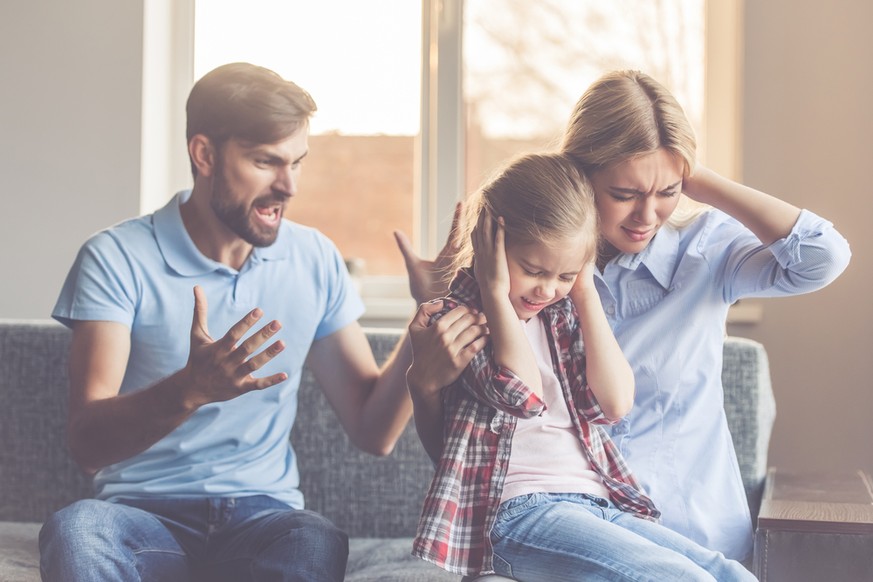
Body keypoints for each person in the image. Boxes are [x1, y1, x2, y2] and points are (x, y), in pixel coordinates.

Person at [38, 62, 484, 582]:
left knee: (312, 536)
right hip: (140, 515)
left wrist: (426, 315)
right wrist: (190, 388)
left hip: (263, 519)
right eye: (265, 162)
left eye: (296, 162)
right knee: (77, 529)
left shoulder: (314, 257)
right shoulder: (116, 257)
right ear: (204, 154)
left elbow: (372, 429)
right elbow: (87, 445)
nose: (288, 186)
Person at [399, 69, 852, 564]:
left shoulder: (703, 251)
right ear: (578, 178)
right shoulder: (535, 293)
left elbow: (822, 258)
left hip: (692, 530)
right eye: (625, 194)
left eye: (666, 193)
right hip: (568, 531)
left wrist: (688, 173)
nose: (647, 217)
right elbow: (475, 444)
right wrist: (425, 378)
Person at [411, 152, 755, 580]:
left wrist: (585, 290)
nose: (548, 288)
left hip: (594, 502)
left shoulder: (560, 317)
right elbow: (522, 394)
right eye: (533, 270)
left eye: (565, 274)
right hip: (515, 513)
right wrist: (495, 291)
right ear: (491, 248)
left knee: (730, 574)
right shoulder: (462, 317)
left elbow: (615, 404)